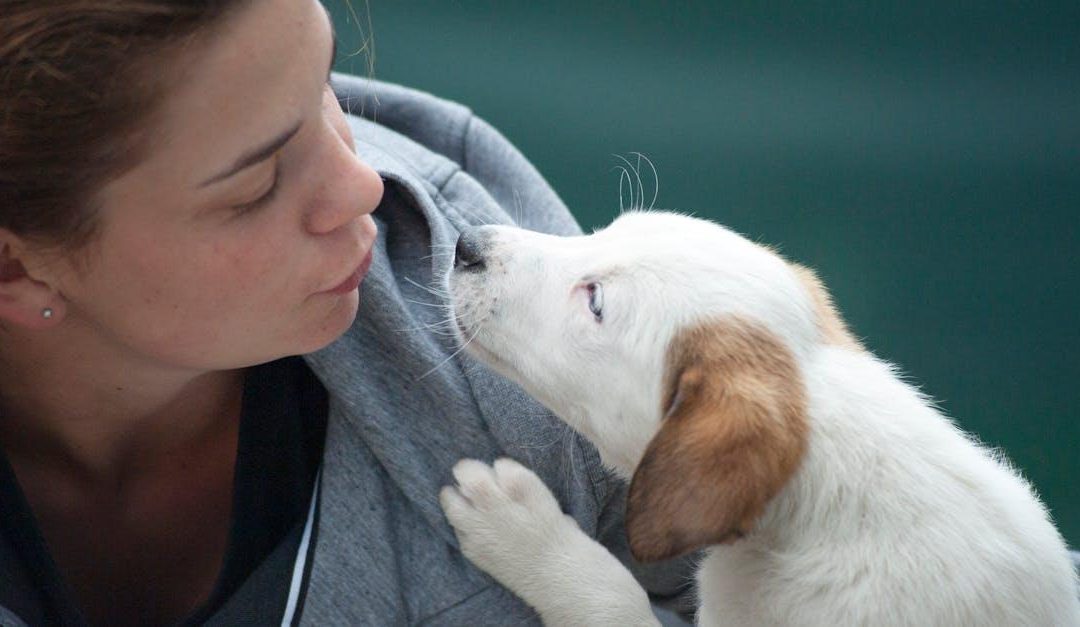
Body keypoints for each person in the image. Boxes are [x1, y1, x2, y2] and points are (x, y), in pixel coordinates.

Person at [0, 0, 694, 625]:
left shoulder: (528, 382)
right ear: (17, 269)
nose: (362, 184)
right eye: (257, 185)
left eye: (326, 83)